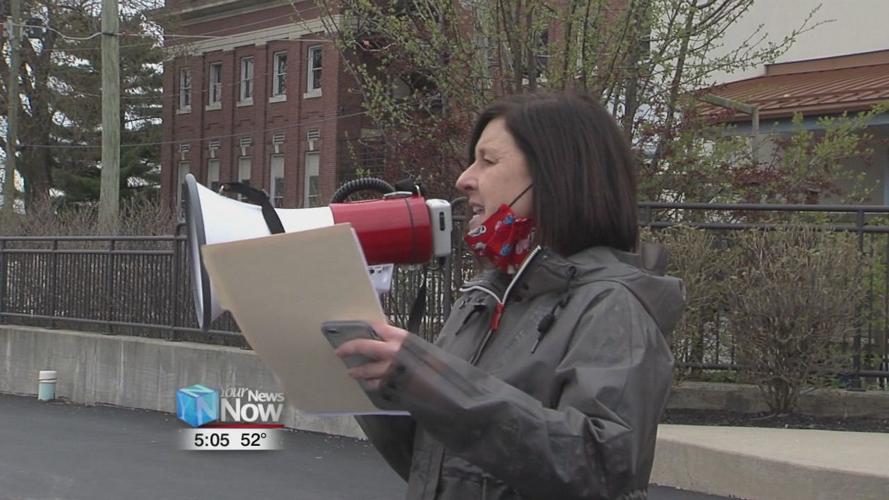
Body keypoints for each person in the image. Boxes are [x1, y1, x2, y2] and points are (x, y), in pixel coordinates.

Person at [335, 92, 685, 500]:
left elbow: (601, 469)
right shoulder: (482, 298)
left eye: (488, 161)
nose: (464, 179)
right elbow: (435, 465)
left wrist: (432, 382)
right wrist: (372, 375)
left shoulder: (612, 306)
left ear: (555, 177)